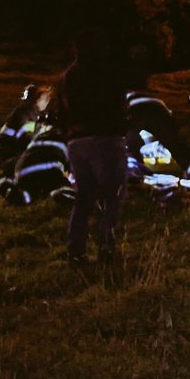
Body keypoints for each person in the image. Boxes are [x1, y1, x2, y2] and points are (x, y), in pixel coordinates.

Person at [55, 28, 131, 266]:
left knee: (84, 198)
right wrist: (122, 128)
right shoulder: (107, 73)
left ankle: (75, 251)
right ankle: (107, 248)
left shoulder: (66, 77)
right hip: (105, 139)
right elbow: (119, 104)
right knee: (112, 196)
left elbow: (60, 113)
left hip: (77, 144)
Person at [0, 84, 50, 198]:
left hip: (10, 153)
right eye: (45, 99)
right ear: (37, 99)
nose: (47, 103)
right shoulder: (26, 114)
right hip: (9, 154)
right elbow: (28, 139)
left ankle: (7, 180)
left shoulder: (32, 114)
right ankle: (5, 181)